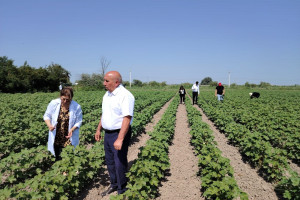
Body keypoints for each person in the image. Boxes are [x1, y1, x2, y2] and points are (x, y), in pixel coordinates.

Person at [95, 71, 135, 196]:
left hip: (119, 132)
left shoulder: (125, 95)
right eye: (104, 80)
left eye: (107, 81)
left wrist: (120, 138)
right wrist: (98, 128)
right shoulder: (107, 95)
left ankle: (121, 189)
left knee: (119, 161)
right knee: (110, 161)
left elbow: (127, 118)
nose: (104, 83)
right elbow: (105, 113)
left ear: (116, 82)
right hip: (108, 133)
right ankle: (114, 184)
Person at [44, 87, 82, 161]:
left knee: (68, 155)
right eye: (63, 99)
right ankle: (59, 169)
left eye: (67, 100)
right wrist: (49, 125)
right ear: (60, 96)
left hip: (68, 135)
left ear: (71, 98)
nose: (64, 101)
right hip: (56, 134)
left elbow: (79, 121)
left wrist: (72, 129)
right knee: (56, 153)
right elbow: (47, 115)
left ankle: (66, 171)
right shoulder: (54, 103)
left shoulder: (76, 106)